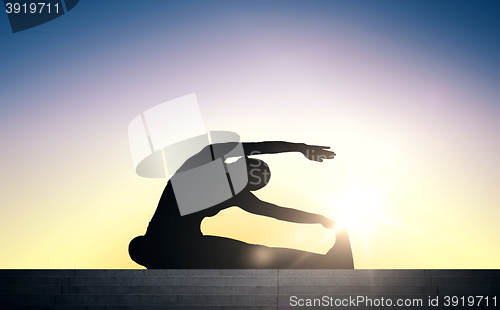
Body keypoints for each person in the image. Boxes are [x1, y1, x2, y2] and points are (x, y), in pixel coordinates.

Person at [129, 141, 354, 268]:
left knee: (257, 254)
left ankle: (327, 264)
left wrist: (323, 220)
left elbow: (278, 213)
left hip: (182, 248)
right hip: (164, 246)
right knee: (252, 255)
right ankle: (327, 265)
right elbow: (254, 146)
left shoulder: (235, 194)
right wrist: (298, 147)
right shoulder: (200, 165)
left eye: (248, 185)